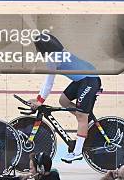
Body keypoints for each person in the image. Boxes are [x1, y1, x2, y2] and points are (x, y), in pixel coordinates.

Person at [28, 34, 102, 163]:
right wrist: (39, 99)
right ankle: (86, 118)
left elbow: (48, 82)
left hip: (90, 80)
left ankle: (78, 152)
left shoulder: (53, 58)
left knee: (80, 116)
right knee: (63, 101)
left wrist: (40, 100)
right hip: (82, 79)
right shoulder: (58, 52)